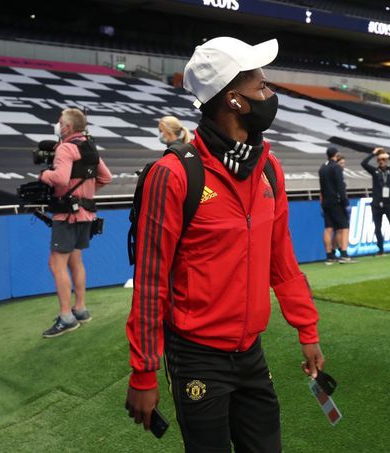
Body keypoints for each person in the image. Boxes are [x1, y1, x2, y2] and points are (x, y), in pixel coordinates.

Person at [125, 37, 325, 452]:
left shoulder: (269, 168)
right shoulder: (173, 175)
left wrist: (307, 328)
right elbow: (150, 283)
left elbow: (281, 259)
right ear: (234, 100)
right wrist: (144, 373)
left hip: (251, 352)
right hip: (196, 356)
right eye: (263, 86)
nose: (270, 95)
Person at [39, 108, 112, 338]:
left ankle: (66, 317)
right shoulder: (89, 146)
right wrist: (85, 196)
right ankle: (80, 309)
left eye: (60, 122)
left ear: (67, 128)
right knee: (76, 260)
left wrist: (44, 175)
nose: (59, 125)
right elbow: (106, 177)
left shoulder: (65, 147)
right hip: (87, 214)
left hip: (66, 216)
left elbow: (59, 178)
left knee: (56, 264)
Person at [361, 147, 390, 256]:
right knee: (377, 228)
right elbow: (363, 163)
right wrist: (373, 153)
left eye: (383, 160)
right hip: (376, 204)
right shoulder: (375, 171)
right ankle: (381, 250)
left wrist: (387, 155)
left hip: (389, 203)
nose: (381, 162)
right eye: (379, 160)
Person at [319, 146, 353, 264]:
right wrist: (346, 203)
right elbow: (340, 186)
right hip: (336, 202)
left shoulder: (322, 167)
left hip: (326, 202)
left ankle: (329, 255)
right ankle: (344, 254)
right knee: (343, 228)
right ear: (336, 154)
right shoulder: (336, 167)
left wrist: (322, 203)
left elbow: (322, 188)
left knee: (328, 228)